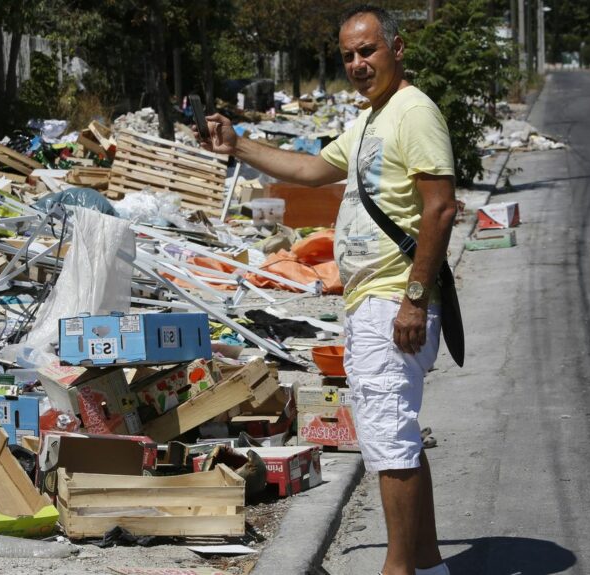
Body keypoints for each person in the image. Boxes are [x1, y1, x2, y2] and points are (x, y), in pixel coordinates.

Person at [198, 5, 457, 575]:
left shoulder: (413, 113)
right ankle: (428, 564)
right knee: (397, 440)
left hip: (395, 299)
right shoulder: (371, 119)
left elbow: (440, 208)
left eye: (368, 50)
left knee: (388, 441)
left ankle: (399, 569)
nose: (359, 64)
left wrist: (414, 299)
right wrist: (237, 146)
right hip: (373, 299)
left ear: (397, 47)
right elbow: (314, 169)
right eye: (348, 56)